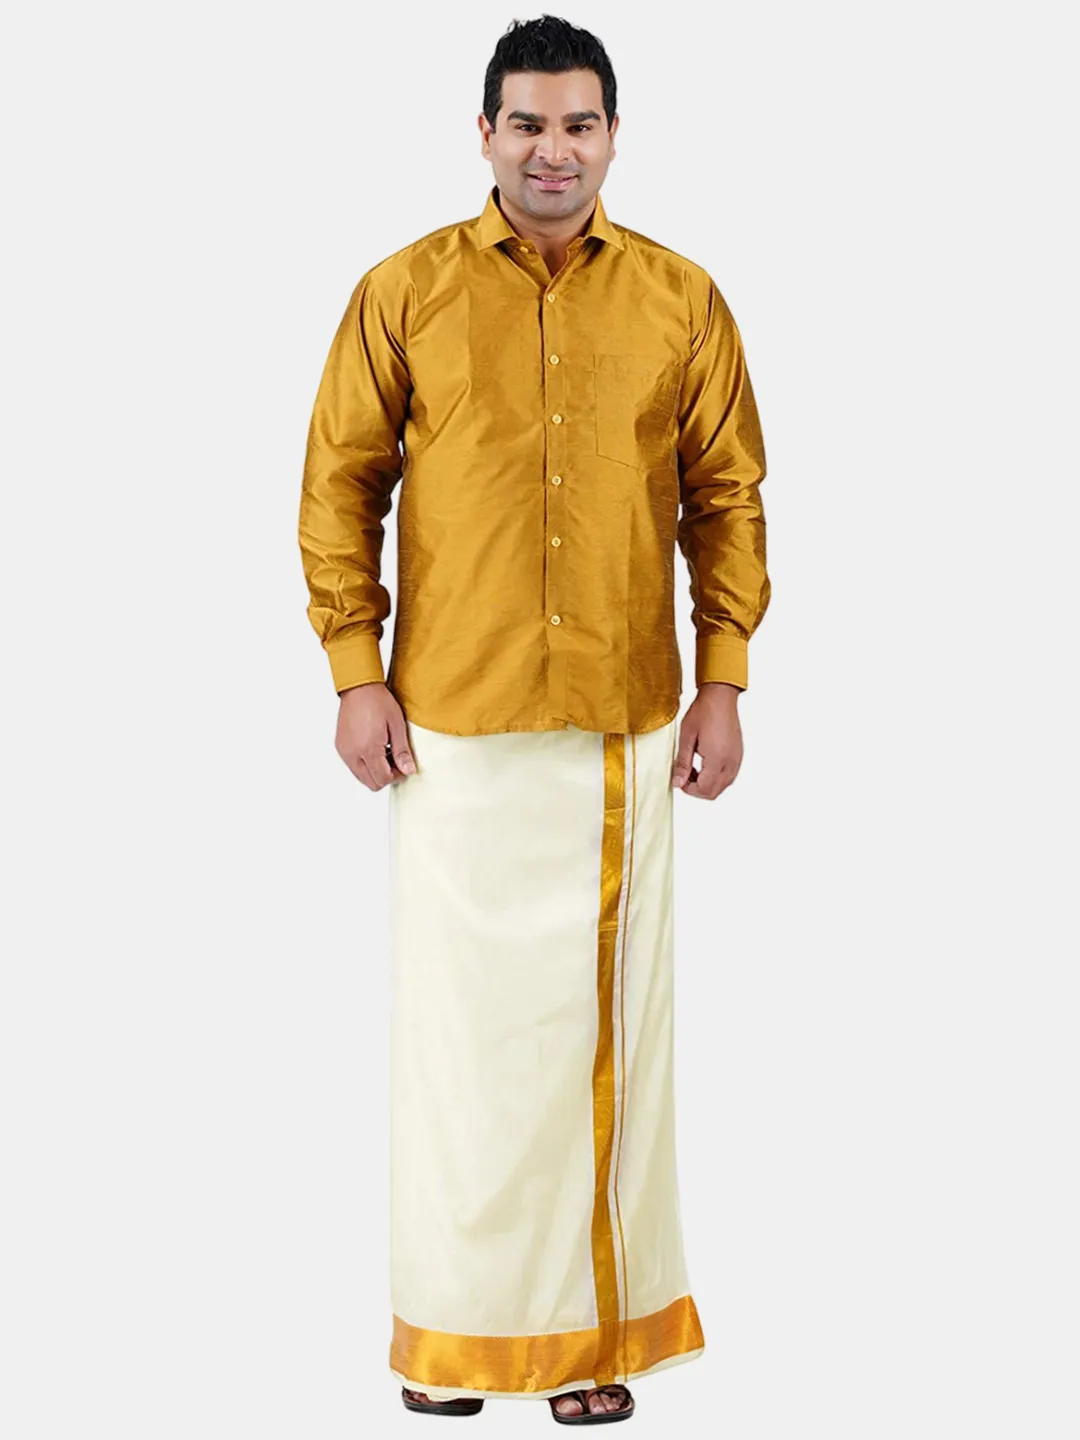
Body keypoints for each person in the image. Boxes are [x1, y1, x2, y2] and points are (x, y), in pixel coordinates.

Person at [297, 13, 769, 1425]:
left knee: (600, 1049)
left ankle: (587, 1350)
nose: (551, 150)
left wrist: (725, 674)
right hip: (448, 729)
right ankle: (448, 1344)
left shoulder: (682, 299)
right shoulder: (404, 291)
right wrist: (354, 670)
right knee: (457, 1051)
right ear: (485, 134)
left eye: (577, 124)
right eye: (527, 123)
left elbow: (726, 497)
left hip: (620, 725)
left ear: (613, 136)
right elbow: (339, 485)